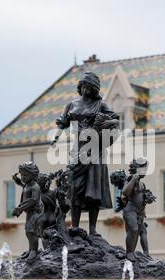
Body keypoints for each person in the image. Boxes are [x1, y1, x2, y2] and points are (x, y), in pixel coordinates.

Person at [51, 71, 119, 236]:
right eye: (84, 86)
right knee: (75, 188)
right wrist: (55, 137)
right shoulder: (72, 105)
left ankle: (93, 229)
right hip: (78, 151)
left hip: (96, 150)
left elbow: (116, 120)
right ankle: (74, 226)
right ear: (80, 87)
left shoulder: (101, 105)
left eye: (90, 87)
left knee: (93, 191)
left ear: (95, 89)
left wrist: (106, 122)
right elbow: (62, 123)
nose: (86, 90)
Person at [121, 158, 155, 261]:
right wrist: (133, 180)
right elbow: (125, 192)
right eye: (143, 169)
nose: (145, 172)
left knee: (142, 231)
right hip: (130, 210)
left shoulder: (142, 184)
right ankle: (129, 252)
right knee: (134, 229)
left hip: (140, 211)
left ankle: (146, 253)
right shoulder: (131, 179)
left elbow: (143, 197)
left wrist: (148, 198)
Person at [12, 161, 44, 261]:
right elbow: (24, 187)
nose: (23, 177)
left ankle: (34, 251)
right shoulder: (27, 185)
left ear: (33, 174)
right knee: (28, 231)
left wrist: (20, 208)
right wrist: (18, 181)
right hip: (30, 213)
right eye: (22, 175)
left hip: (36, 213)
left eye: (25, 175)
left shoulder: (35, 186)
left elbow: (33, 200)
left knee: (31, 231)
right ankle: (31, 250)